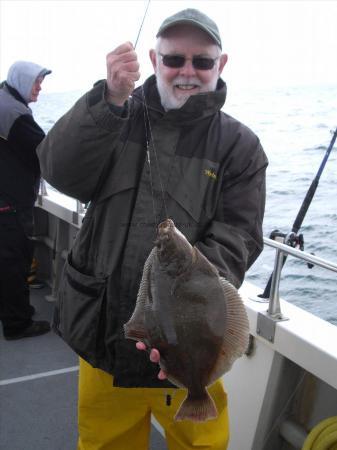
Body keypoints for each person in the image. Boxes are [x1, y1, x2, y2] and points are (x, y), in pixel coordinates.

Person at [37, 8, 268, 450]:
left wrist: (181, 293)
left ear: (220, 65)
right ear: (152, 59)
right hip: (104, 334)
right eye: (174, 59)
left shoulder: (241, 147)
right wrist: (107, 102)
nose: (187, 71)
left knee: (201, 442)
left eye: (202, 61)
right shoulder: (114, 117)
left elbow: (239, 236)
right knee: (105, 442)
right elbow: (59, 171)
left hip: (193, 343)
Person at [0, 61, 52, 340]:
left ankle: (9, 312)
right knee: (14, 263)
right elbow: (48, 152)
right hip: (9, 204)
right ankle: (17, 324)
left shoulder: (3, 101)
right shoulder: (15, 114)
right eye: (36, 81)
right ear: (21, 81)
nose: (40, 87)